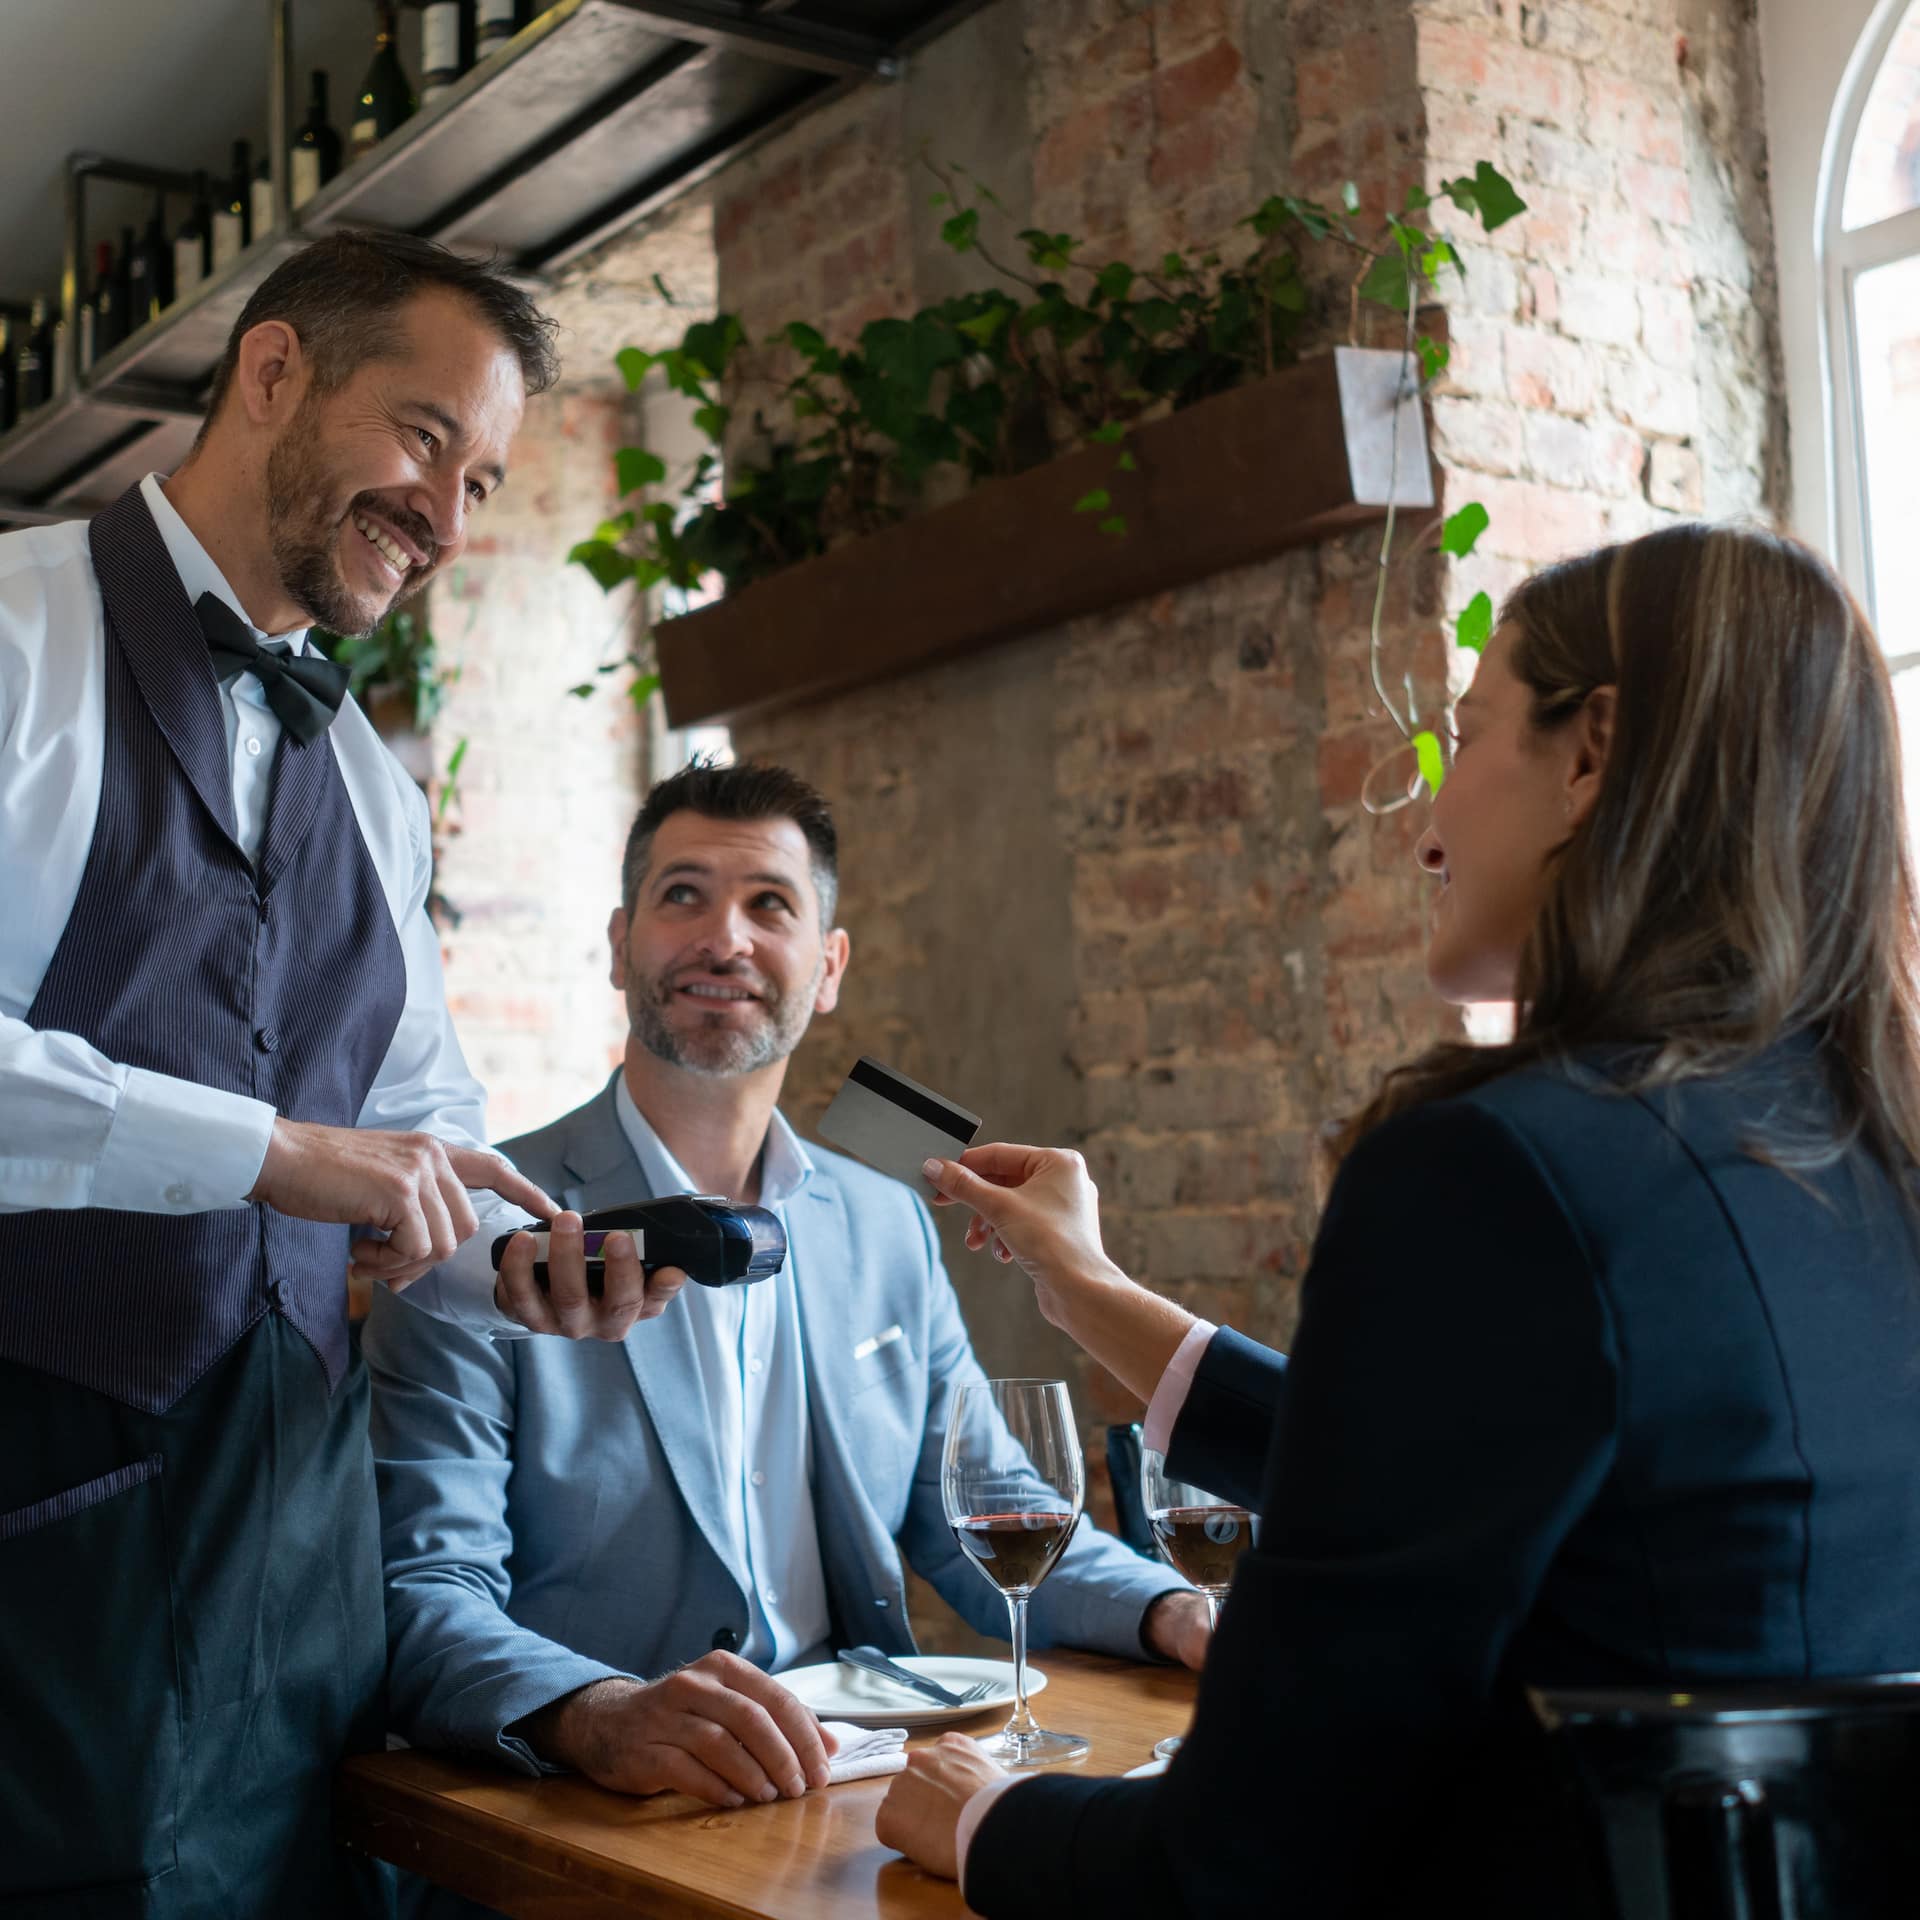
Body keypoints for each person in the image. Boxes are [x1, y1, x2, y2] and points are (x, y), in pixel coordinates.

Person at [875, 522, 1920, 1917]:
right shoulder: (1863, 1151)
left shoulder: (1496, 1168)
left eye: (1470, 732)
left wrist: (993, 1822)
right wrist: (1093, 1293)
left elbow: (1240, 1867)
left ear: (1591, 755)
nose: (1426, 826)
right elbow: (1515, 1472)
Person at [0, 230, 654, 1918]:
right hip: (43, 1548)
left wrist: (503, 1257)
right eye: (422, 438)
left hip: (303, 1567)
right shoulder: (11, 635)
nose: (448, 516)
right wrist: (268, 1153)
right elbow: (301, 1145)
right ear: (274, 371)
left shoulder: (362, 771)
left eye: (486, 475)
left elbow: (411, 1110)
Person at [363, 759, 1208, 1859]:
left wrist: (1173, 1614)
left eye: (770, 903)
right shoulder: (480, 1234)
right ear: (620, 942)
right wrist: (597, 1716)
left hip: (858, 1801)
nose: (725, 938)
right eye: (682, 897)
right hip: (592, 1821)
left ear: (829, 965)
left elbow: (990, 1520)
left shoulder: (887, 1224)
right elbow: (425, 1594)